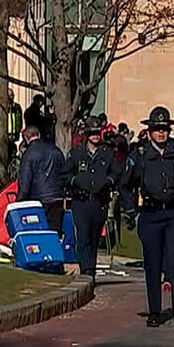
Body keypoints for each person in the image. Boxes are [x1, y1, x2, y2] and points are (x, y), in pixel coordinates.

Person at [121, 106, 174, 330]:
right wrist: (133, 214)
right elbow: (125, 187)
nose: (161, 133)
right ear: (149, 131)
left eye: (164, 129)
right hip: (150, 214)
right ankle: (155, 310)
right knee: (152, 263)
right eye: (157, 129)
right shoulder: (139, 156)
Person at [64, 116, 123, 280]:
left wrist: (108, 181)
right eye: (92, 133)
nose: (95, 136)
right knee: (83, 237)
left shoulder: (108, 153)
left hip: (99, 201)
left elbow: (117, 173)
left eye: (97, 133)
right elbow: (65, 174)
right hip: (81, 201)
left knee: (94, 236)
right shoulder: (77, 153)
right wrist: (75, 181)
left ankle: (91, 268)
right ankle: (86, 271)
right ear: (86, 134)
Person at [16, 124, 66, 235]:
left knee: (39, 232)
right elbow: (64, 173)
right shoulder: (55, 150)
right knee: (55, 232)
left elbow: (25, 181)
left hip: (39, 199)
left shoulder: (29, 155)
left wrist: (19, 201)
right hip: (57, 197)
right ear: (39, 135)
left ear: (26, 138)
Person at [7, 89, 23, 158]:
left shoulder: (17, 107)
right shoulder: (5, 106)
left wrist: (19, 130)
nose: (10, 97)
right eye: (9, 95)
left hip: (14, 133)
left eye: (11, 95)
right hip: (7, 133)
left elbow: (20, 119)